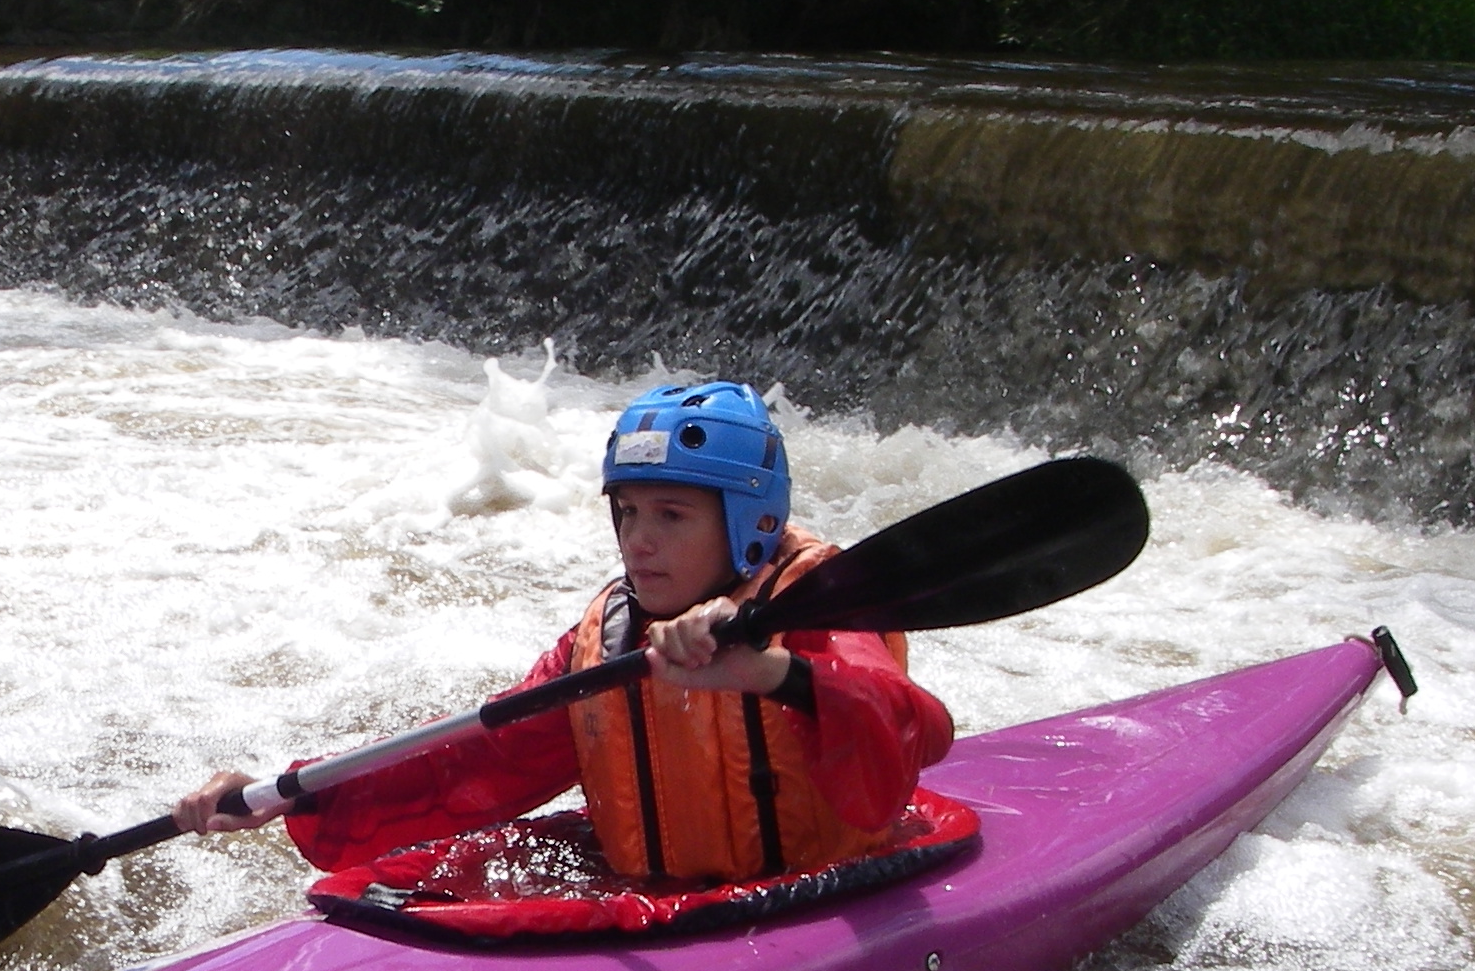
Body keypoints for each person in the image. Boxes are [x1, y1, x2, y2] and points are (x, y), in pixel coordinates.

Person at [172, 380, 954, 886]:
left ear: (751, 523)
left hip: (823, 894)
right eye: (628, 512)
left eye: (671, 516)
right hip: (676, 908)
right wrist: (292, 794)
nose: (637, 540)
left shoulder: (818, 605)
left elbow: (914, 728)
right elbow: (478, 756)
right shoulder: (607, 639)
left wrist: (774, 674)